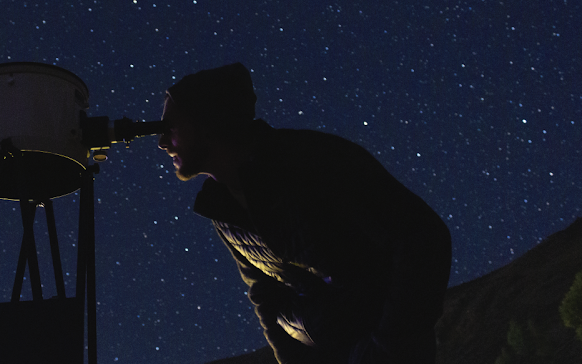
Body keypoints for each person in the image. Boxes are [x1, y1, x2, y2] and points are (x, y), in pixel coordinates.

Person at [157, 63, 452, 363]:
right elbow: (265, 293)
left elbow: (422, 237)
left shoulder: (313, 160)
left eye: (171, 128)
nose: (162, 142)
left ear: (207, 124)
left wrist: (389, 348)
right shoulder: (221, 209)